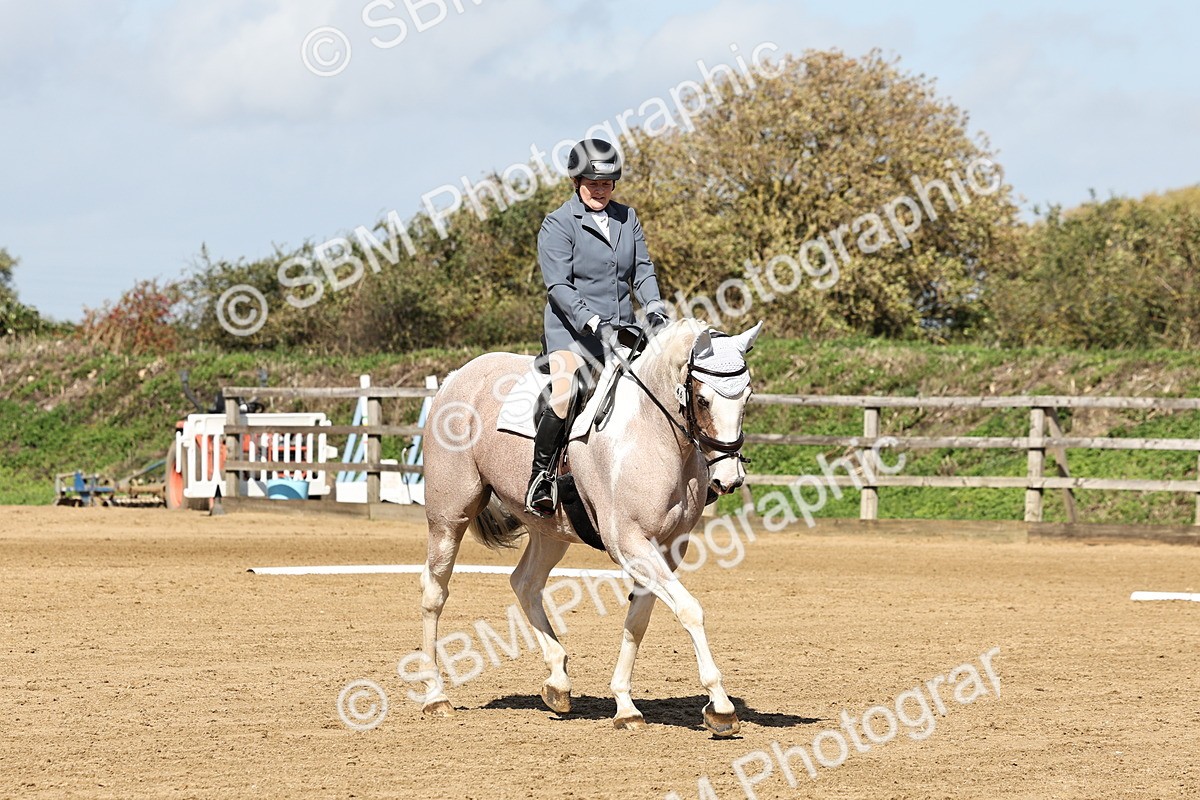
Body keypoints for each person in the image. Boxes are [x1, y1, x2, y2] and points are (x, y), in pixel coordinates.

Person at [525, 138, 668, 517]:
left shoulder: (627, 218)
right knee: (566, 392)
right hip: (572, 333)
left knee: (664, 386)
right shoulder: (558, 224)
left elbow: (642, 270)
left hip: (622, 331)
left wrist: (653, 306)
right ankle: (541, 477)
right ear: (577, 182)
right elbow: (558, 285)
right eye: (593, 183)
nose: (601, 190)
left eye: (607, 184)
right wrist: (592, 321)